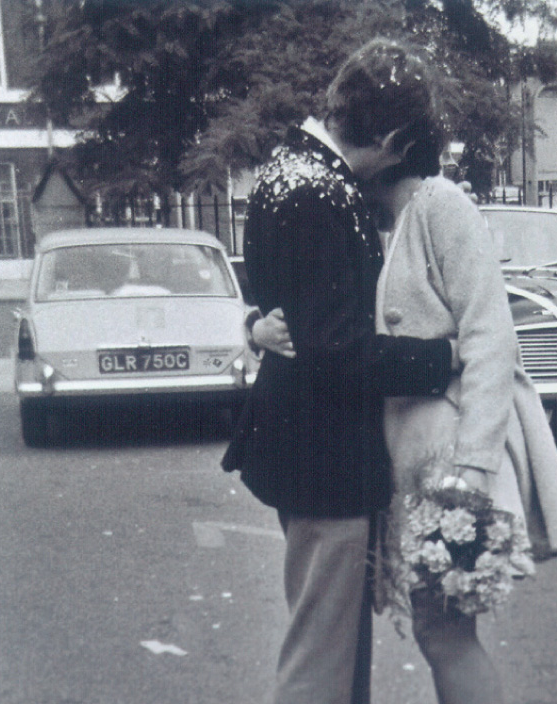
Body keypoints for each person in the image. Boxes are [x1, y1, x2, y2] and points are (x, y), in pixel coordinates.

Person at [253, 40, 557, 704]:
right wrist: (253, 327)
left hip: (450, 471)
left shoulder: (440, 207)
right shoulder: (365, 203)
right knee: (433, 630)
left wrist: (472, 467)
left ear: (398, 141)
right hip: (406, 470)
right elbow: (315, 309)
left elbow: (492, 340)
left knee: (444, 634)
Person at [221, 39, 459, 704]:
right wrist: (445, 358)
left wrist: (257, 328)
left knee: (334, 649)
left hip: (307, 450)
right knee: (320, 660)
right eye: (406, 148)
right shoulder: (318, 195)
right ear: (389, 134)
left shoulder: (291, 176)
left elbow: (291, 314)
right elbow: (338, 349)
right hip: (324, 457)